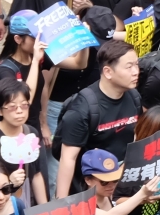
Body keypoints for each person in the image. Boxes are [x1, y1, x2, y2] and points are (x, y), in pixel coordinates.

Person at [55, 40, 142, 199]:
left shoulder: (134, 97)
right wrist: (62, 202)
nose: (136, 71)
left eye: (137, 65)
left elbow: (135, 140)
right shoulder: (82, 108)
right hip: (89, 188)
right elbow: (68, 158)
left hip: (119, 185)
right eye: (129, 67)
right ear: (108, 72)